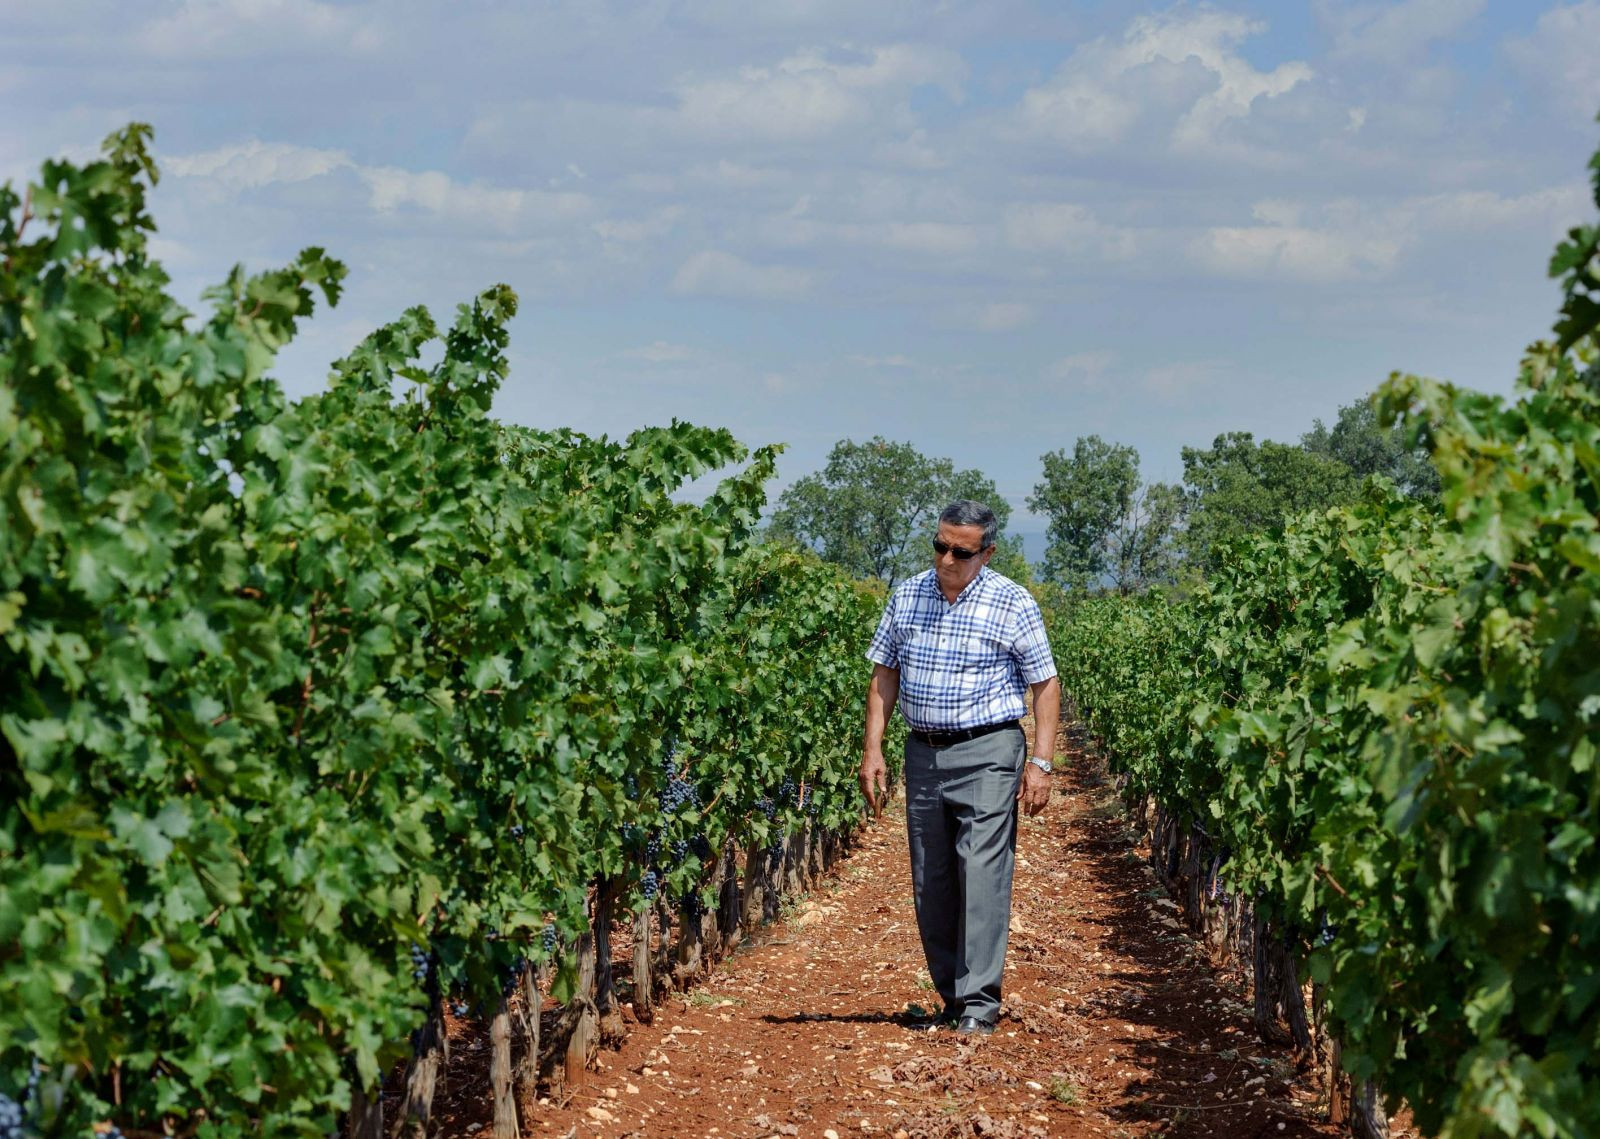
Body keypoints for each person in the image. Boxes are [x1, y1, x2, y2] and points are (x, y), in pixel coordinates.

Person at [860, 500, 1060, 1036]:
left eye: (961, 551)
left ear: (987, 553)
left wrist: (1040, 763)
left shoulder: (1012, 603)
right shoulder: (907, 595)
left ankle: (978, 1004)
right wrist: (872, 749)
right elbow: (884, 674)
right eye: (940, 545)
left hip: (989, 750)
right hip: (922, 752)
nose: (947, 558)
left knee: (981, 870)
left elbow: (1044, 685)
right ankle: (950, 997)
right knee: (932, 877)